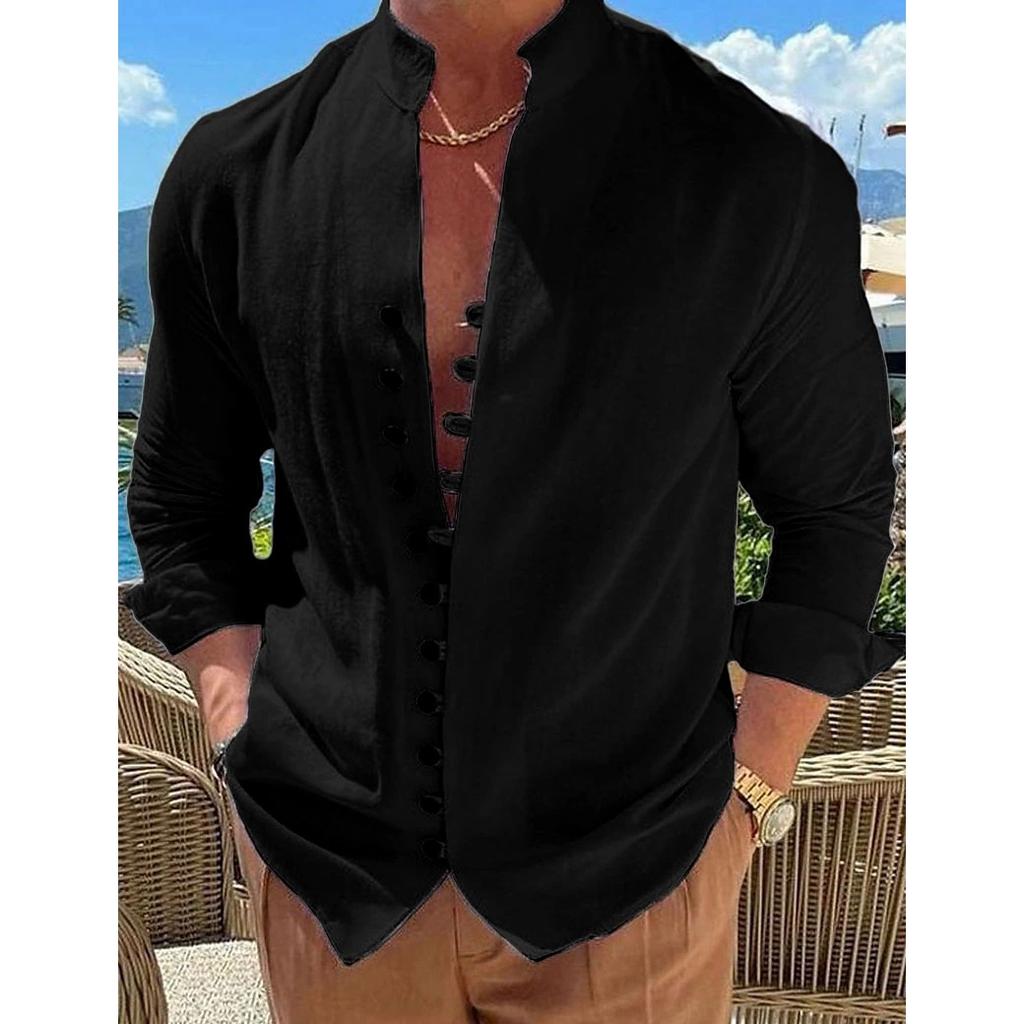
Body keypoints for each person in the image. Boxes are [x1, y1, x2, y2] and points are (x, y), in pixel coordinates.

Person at [124, 1, 904, 1020]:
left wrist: (751, 791)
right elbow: (183, 500)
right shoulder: (236, 172)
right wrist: (234, 727)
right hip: (327, 878)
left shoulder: (750, 171)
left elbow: (834, 510)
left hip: (637, 879)